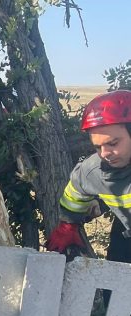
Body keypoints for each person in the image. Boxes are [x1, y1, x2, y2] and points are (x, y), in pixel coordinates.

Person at [48, 89, 131, 263]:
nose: (105, 153)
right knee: (115, 280)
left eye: (113, 143)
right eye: (98, 147)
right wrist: (68, 225)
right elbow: (75, 192)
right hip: (126, 234)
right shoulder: (93, 171)